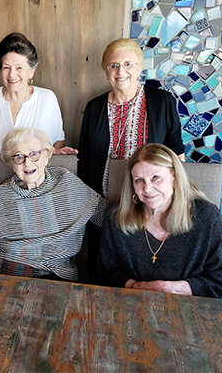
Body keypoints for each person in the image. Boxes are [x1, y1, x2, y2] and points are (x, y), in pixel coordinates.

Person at [77, 38, 186, 283]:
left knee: (144, 267)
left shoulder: (162, 102)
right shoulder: (94, 108)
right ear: (106, 71)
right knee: (104, 270)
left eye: (128, 64)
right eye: (113, 65)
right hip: (102, 205)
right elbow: (84, 157)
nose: (121, 71)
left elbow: (177, 154)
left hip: (148, 202)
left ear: (140, 68)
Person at [96, 144, 222, 298]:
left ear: (174, 178)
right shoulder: (116, 214)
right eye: (139, 180)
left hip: (188, 305)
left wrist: (170, 288)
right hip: (129, 300)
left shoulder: (206, 216)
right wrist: (137, 287)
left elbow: (220, 279)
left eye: (156, 178)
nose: (147, 189)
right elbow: (105, 272)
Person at [0, 128, 102, 282]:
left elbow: (105, 214)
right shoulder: (3, 194)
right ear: (12, 164)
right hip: (3, 274)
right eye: (19, 157)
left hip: (54, 278)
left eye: (34, 154)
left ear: (46, 156)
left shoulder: (66, 182)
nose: (27, 163)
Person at [0, 32, 77, 208]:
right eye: (6, 67)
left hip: (35, 183)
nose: (12, 74)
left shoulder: (47, 98)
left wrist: (51, 153)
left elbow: (58, 139)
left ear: (31, 70)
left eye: (19, 67)